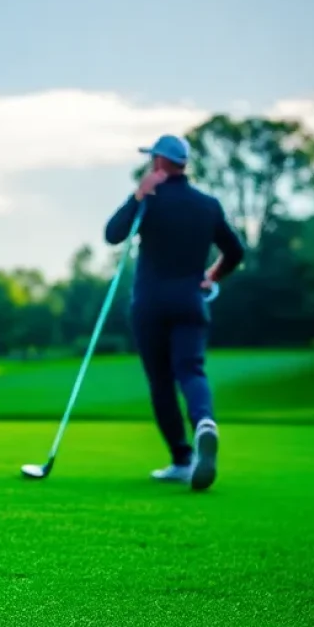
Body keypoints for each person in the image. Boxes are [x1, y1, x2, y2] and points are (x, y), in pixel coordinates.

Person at [104, 134, 245, 491]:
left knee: (161, 381)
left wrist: (139, 195)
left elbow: (113, 234)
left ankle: (182, 459)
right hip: (190, 302)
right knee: (191, 370)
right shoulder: (207, 205)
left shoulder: (149, 201)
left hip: (150, 304)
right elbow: (235, 251)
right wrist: (212, 275)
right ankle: (204, 423)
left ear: (158, 161)